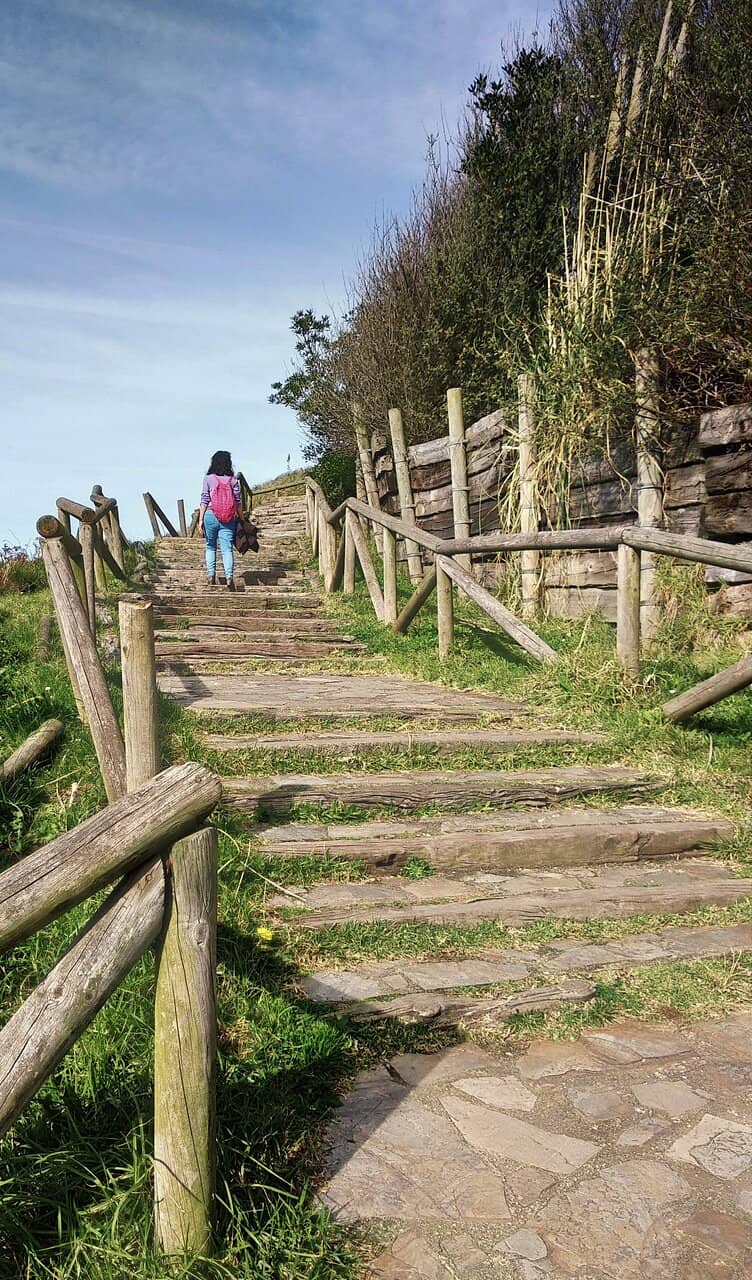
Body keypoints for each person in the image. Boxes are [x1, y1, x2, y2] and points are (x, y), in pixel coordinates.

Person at [198, 451, 242, 590]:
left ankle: (211, 576)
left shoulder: (208, 479)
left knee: (210, 546)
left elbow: (204, 500)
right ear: (228, 463)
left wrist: (200, 521)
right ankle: (229, 577)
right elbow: (238, 502)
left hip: (210, 515)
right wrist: (242, 518)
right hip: (228, 518)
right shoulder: (234, 480)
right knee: (227, 549)